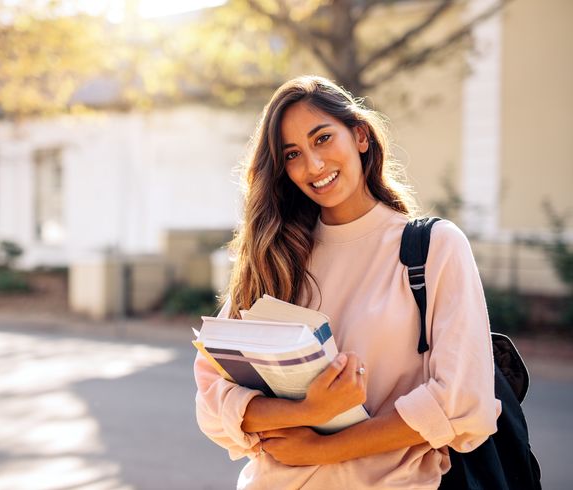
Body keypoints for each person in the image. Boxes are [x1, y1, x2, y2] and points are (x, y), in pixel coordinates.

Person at [193, 75, 500, 489]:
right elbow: (213, 402)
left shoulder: (433, 248)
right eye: (292, 154)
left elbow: (461, 403)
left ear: (359, 135)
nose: (313, 166)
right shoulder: (276, 257)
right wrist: (308, 411)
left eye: (322, 139)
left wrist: (321, 449)